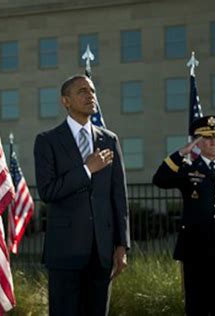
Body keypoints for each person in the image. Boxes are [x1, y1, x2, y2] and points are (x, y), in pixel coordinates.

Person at [34, 74, 130, 316]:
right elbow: (47, 191)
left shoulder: (109, 139)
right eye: (82, 91)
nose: (90, 96)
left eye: (92, 91)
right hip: (65, 251)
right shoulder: (47, 141)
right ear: (65, 101)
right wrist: (87, 169)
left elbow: (118, 196)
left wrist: (121, 245)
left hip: (102, 251)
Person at [152, 115, 215, 315]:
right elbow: (159, 179)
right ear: (198, 142)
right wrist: (182, 153)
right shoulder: (188, 169)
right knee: (197, 306)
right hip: (195, 249)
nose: (213, 142)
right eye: (207, 138)